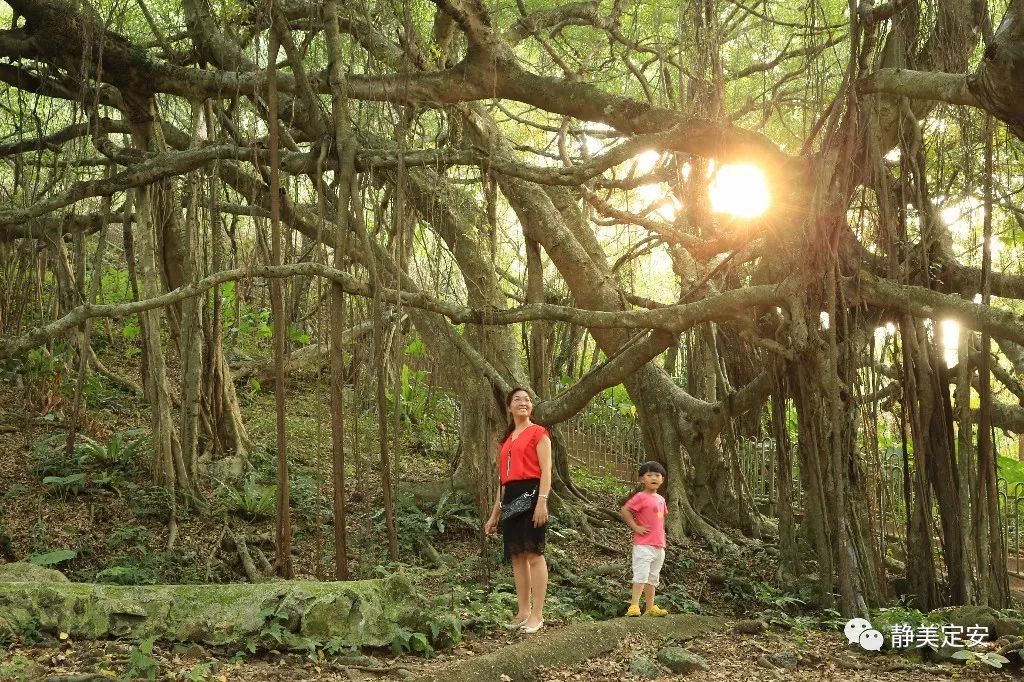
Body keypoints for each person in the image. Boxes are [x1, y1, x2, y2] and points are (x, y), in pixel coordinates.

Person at [484, 387, 552, 634]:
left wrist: (542, 501)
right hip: (511, 497)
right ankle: (523, 611)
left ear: (531, 406)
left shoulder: (539, 433)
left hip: (533, 494)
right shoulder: (506, 441)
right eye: (517, 399)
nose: (523, 402)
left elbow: (546, 471)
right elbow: (503, 482)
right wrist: (494, 515)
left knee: (533, 553)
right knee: (517, 556)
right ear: (508, 407)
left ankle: (537, 614)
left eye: (527, 399)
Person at [621, 461, 669, 617]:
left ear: (662, 479)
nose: (654, 478)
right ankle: (634, 606)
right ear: (642, 479)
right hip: (643, 545)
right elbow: (625, 510)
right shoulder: (641, 496)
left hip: (659, 546)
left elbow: (661, 518)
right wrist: (635, 527)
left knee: (653, 578)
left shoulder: (661, 499)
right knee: (641, 575)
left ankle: (650, 608)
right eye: (649, 475)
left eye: (657, 475)